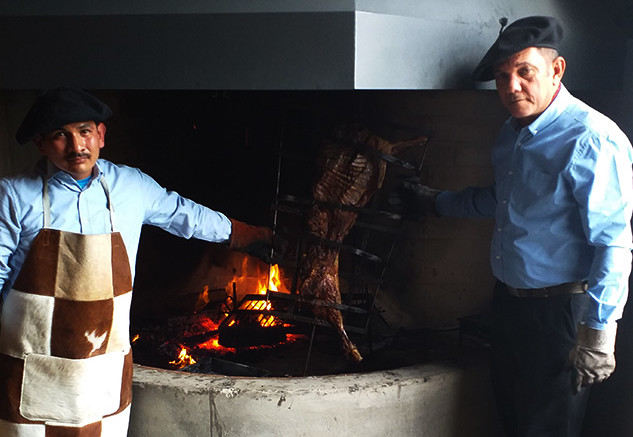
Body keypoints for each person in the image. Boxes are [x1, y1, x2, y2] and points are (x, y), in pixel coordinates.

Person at [0, 87, 284, 436]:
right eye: (61, 135)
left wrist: (244, 235)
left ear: (101, 135)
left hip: (103, 369)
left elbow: (186, 215)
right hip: (35, 368)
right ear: (41, 145)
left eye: (84, 131)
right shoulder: (13, 195)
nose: (77, 146)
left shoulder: (130, 186)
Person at [399, 16, 633, 437]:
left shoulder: (592, 139)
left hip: (561, 313)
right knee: (513, 420)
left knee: (548, 429)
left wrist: (599, 333)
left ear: (555, 70)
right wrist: (438, 202)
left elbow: (613, 243)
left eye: (524, 72)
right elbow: (502, 199)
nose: (511, 87)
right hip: (508, 305)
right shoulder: (512, 132)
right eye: (502, 77)